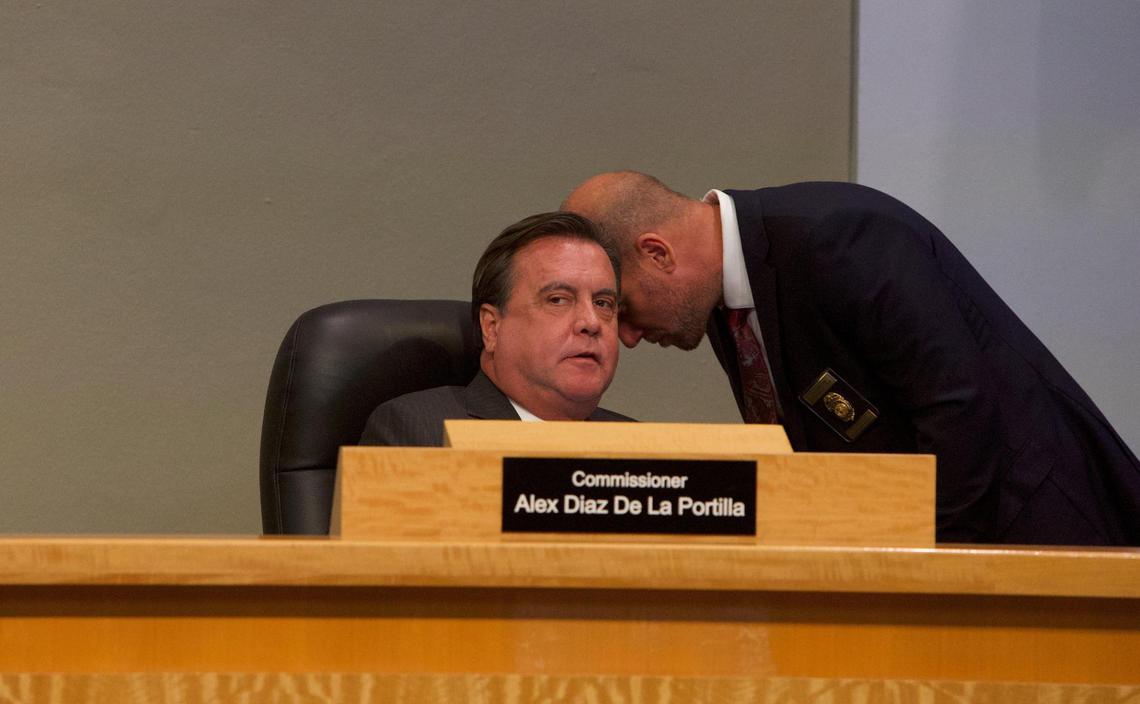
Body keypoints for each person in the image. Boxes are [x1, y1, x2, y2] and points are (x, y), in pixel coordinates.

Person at [563, 171, 1140, 545]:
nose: (630, 337)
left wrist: (924, 579)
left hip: (1045, 543)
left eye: (626, 307)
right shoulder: (722, 307)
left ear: (657, 253)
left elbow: (960, 413)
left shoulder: (839, 236)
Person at [359, 211, 632, 446]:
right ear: (491, 327)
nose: (591, 322)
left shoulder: (643, 447)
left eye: (603, 303)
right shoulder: (423, 434)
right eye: (558, 299)